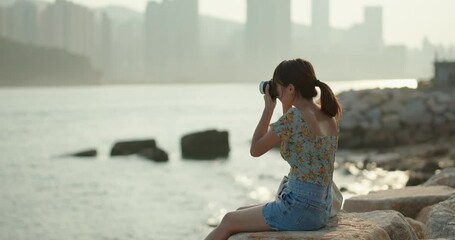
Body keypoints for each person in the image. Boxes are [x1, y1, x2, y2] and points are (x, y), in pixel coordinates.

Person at [205, 58, 342, 240]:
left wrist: (268, 107)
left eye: (278, 88)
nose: (277, 93)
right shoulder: (327, 116)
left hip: (298, 209)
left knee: (229, 219)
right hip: (321, 208)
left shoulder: (294, 118)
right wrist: (286, 103)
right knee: (240, 212)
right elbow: (296, 137)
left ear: (291, 88)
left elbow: (255, 149)